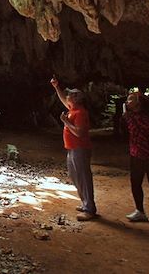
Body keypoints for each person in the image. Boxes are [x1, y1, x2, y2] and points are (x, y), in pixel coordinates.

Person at [50, 75, 97, 221]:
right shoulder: (73, 109)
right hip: (72, 148)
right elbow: (63, 99)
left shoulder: (81, 113)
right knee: (75, 176)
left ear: (77, 98)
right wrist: (57, 86)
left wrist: (65, 122)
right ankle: (85, 203)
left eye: (71, 94)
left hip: (80, 149)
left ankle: (90, 209)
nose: (68, 96)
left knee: (83, 176)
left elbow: (80, 132)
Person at [123, 89, 149, 224]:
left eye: (130, 99)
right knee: (135, 183)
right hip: (135, 154)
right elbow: (125, 133)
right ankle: (140, 211)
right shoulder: (127, 117)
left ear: (138, 103)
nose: (127, 102)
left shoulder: (148, 117)